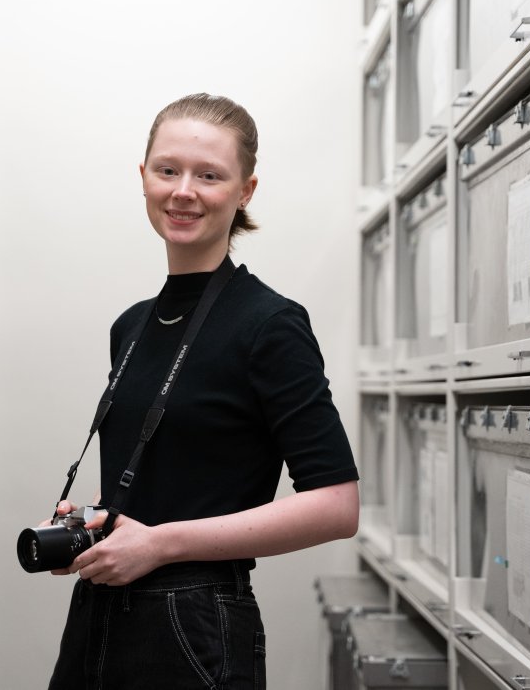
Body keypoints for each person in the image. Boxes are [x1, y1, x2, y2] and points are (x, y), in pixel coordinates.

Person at [46, 93, 360, 690]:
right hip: (99, 612)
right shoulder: (132, 325)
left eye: (209, 175)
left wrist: (160, 545)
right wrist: (96, 528)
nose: (183, 191)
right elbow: (173, 477)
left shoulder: (270, 324)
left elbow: (336, 506)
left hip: (196, 625)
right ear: (143, 177)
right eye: (167, 170)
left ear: (245, 191)